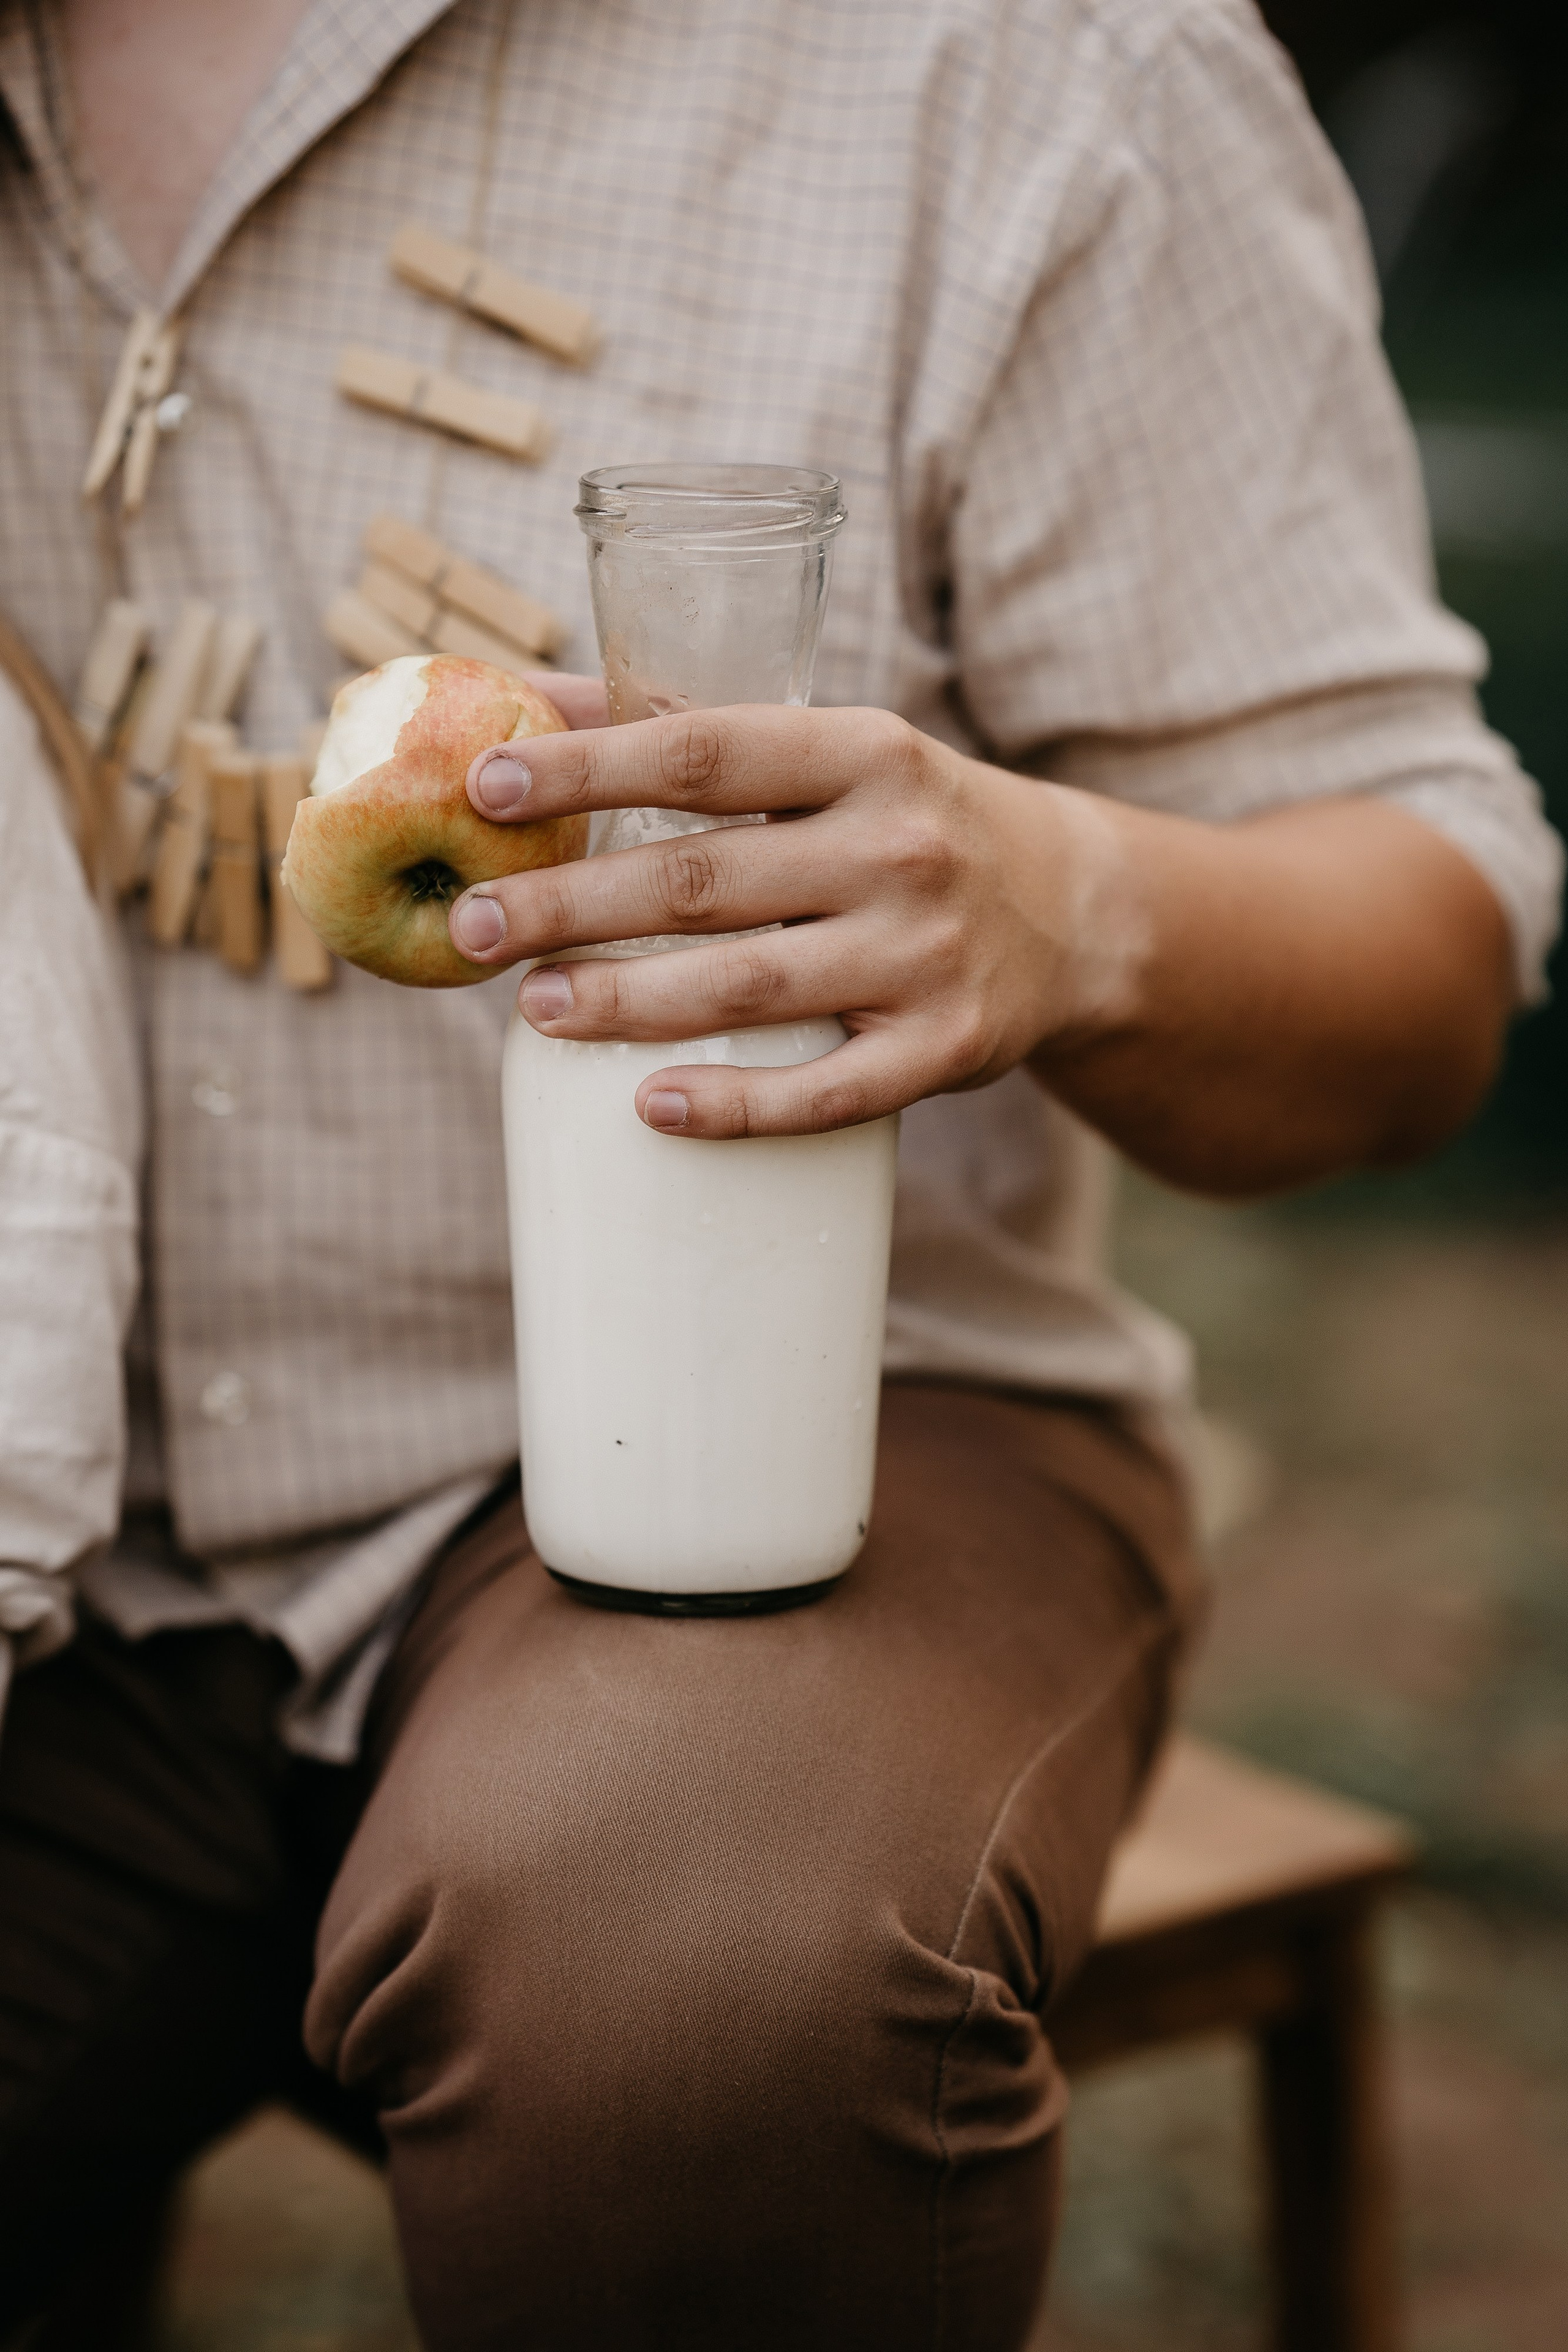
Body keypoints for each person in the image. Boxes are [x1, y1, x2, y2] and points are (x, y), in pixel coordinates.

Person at [0, 1, 1559, 2345]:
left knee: (697, 1982)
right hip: (57, 1527)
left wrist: (1074, 905)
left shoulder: (1024, 62)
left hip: (835, 1445)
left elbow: (1422, 983)